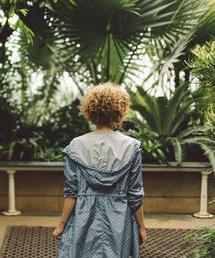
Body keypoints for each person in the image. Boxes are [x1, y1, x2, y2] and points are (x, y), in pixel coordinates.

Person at [53, 83, 147, 258]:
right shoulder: (131, 146)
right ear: (120, 111)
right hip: (120, 222)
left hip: (83, 218)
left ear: (91, 111)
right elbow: (135, 193)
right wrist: (141, 226)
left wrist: (62, 224)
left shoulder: (76, 146)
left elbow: (71, 192)